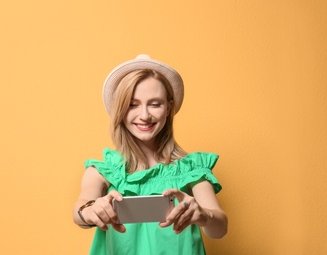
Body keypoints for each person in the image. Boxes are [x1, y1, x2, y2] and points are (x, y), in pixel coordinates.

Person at [73, 54, 228, 254]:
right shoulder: (103, 171)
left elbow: (219, 230)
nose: (145, 115)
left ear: (168, 107)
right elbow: (79, 213)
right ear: (120, 110)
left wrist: (204, 215)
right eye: (132, 104)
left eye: (155, 104)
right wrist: (90, 210)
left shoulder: (192, 168)